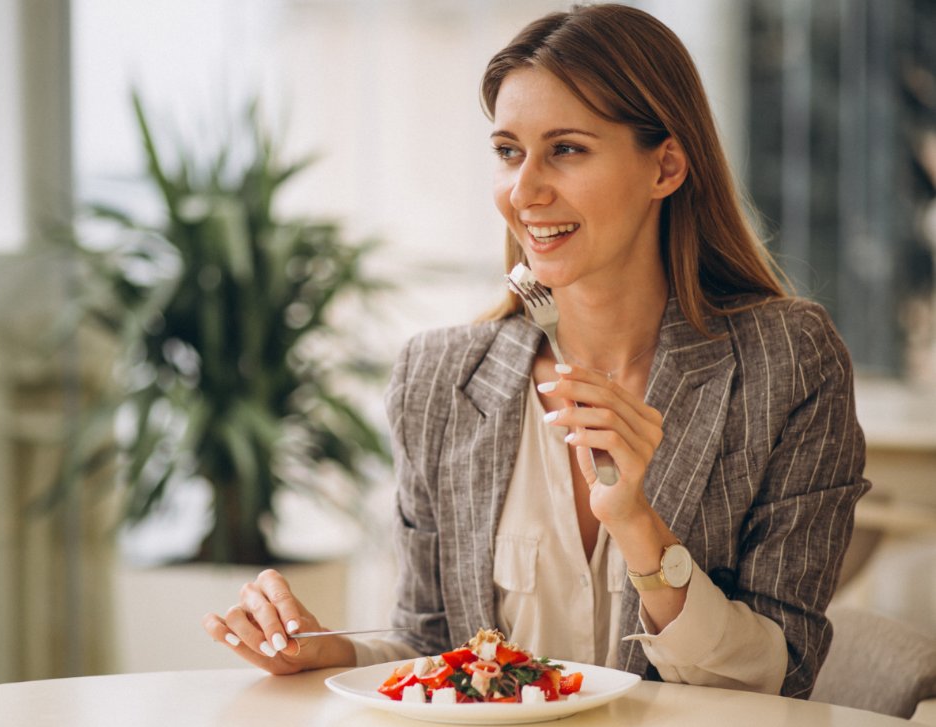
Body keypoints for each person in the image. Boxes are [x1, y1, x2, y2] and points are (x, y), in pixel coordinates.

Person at [202, 4, 870, 698]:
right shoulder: (438, 376)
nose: (524, 192)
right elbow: (435, 641)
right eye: (508, 151)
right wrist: (329, 649)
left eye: (568, 149)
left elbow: (780, 674)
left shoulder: (787, 362)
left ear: (667, 165)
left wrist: (639, 527)